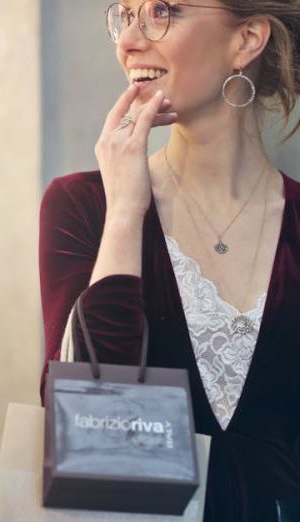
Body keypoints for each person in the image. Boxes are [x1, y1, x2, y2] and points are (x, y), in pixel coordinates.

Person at [38, 1, 300, 520]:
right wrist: (125, 213)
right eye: (124, 14)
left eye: (163, 11)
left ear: (246, 40)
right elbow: (88, 419)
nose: (129, 40)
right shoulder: (84, 204)